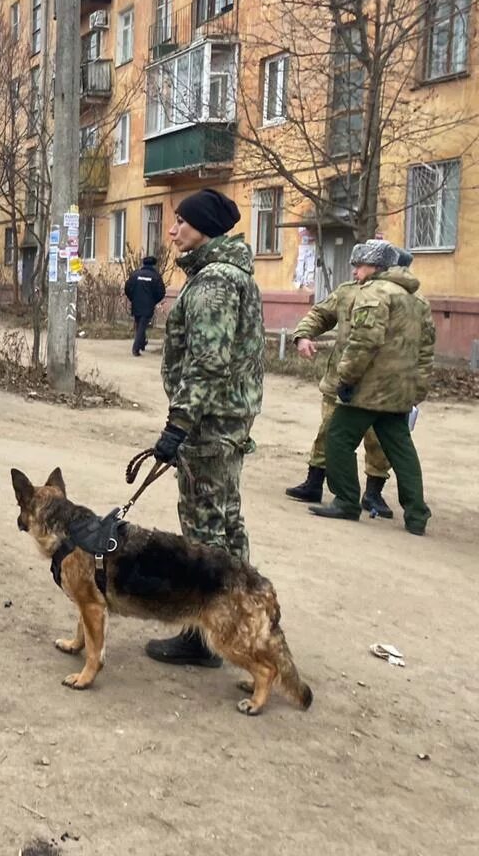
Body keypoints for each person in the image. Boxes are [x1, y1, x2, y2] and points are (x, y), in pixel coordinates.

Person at [148, 188, 264, 668]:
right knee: (228, 525)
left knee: (205, 529)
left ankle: (202, 635)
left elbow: (209, 363)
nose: (172, 230)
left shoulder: (214, 282)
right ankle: (244, 617)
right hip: (225, 421)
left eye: (181, 221)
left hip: (208, 427)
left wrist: (178, 426)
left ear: (204, 228)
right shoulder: (228, 275)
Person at [309, 240, 433, 535]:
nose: (355, 271)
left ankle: (346, 501)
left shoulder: (373, 294)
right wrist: (418, 387)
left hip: (368, 390)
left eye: (360, 265)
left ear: (376, 267)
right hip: (400, 390)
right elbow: (426, 349)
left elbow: (364, 341)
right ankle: (417, 515)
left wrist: (346, 378)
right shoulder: (417, 300)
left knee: (338, 437)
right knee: (401, 449)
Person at [284, 250, 418, 517]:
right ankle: (314, 482)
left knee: (379, 441)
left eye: (360, 266)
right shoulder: (347, 292)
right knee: (328, 432)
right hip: (341, 379)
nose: (354, 272)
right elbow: (320, 313)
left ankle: (373, 493)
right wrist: (303, 336)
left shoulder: (405, 299)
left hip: (380, 386)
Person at [123, 255, 167, 356]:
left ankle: (142, 343)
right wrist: (154, 301)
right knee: (142, 325)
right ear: (154, 265)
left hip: (136, 303)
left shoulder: (135, 274)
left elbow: (127, 288)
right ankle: (136, 348)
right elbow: (161, 292)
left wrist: (132, 298)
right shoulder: (156, 276)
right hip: (148, 305)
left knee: (140, 324)